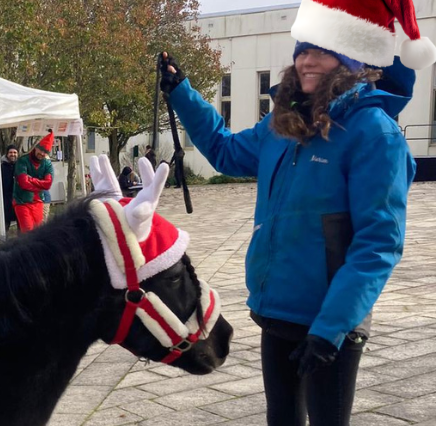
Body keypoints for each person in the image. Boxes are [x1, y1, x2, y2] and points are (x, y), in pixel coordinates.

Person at [160, 0, 430, 419]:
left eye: (320, 50)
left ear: (350, 58)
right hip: (278, 312)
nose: (306, 60)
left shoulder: (374, 133)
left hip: (332, 324)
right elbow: (224, 151)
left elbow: (378, 244)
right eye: (302, 50)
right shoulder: (281, 127)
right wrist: (182, 92)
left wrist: (330, 329)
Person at [13, 131, 54, 233]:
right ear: (36, 147)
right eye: (41, 150)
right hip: (21, 201)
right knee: (27, 231)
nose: (42, 153)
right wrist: (40, 184)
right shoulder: (23, 161)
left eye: (46, 152)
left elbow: (48, 184)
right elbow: (23, 183)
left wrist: (31, 179)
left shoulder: (47, 164)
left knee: (38, 232)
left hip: (38, 201)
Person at [0, 145, 18, 232]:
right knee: (5, 225)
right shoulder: (2, 167)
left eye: (15, 152)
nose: (13, 154)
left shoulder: (20, 166)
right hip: (6, 200)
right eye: (10, 152)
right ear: (7, 154)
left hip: (18, 199)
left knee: (21, 225)